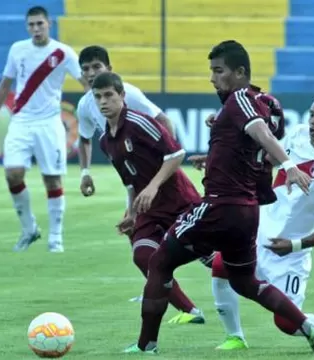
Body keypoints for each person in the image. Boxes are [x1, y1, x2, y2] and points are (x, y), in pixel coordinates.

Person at [124, 40, 314, 355]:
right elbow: (251, 147)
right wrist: (212, 157)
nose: (212, 78)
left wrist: (288, 166)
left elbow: (258, 130)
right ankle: (309, 327)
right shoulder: (268, 104)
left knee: (159, 261)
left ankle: (145, 346)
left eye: (218, 71)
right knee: (244, 281)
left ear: (240, 73)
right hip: (247, 212)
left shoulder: (239, 100)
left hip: (219, 205)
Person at [205, 88, 314, 350]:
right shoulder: (297, 135)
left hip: (290, 254)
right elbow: (268, 157)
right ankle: (235, 336)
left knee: (288, 325)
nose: (313, 122)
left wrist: (295, 245)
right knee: (220, 267)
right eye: (311, 115)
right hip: (258, 230)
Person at [92, 72, 206, 325]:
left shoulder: (138, 122)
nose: (103, 101)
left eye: (109, 95)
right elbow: (130, 180)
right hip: (149, 210)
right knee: (143, 256)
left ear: (122, 96)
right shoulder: (104, 141)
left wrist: (153, 186)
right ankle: (189, 310)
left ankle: (263, 284)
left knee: (215, 261)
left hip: (179, 201)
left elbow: (176, 154)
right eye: (98, 96)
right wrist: (131, 213)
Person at [0, 6, 89, 253]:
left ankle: (56, 238)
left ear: (49, 23)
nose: (36, 29)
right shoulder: (18, 49)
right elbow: (5, 86)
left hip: (50, 123)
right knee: (13, 173)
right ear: (27, 26)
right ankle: (29, 229)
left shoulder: (64, 53)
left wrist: (96, 113)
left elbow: (85, 84)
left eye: (40, 24)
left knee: (52, 179)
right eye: (31, 25)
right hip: (21, 121)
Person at [75, 45, 175, 198]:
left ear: (109, 68)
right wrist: (85, 173)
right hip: (131, 172)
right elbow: (84, 138)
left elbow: (164, 121)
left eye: (96, 66)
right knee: (136, 216)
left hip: (154, 167)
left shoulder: (128, 93)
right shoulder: (84, 105)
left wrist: (168, 159)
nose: (91, 73)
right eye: (86, 69)